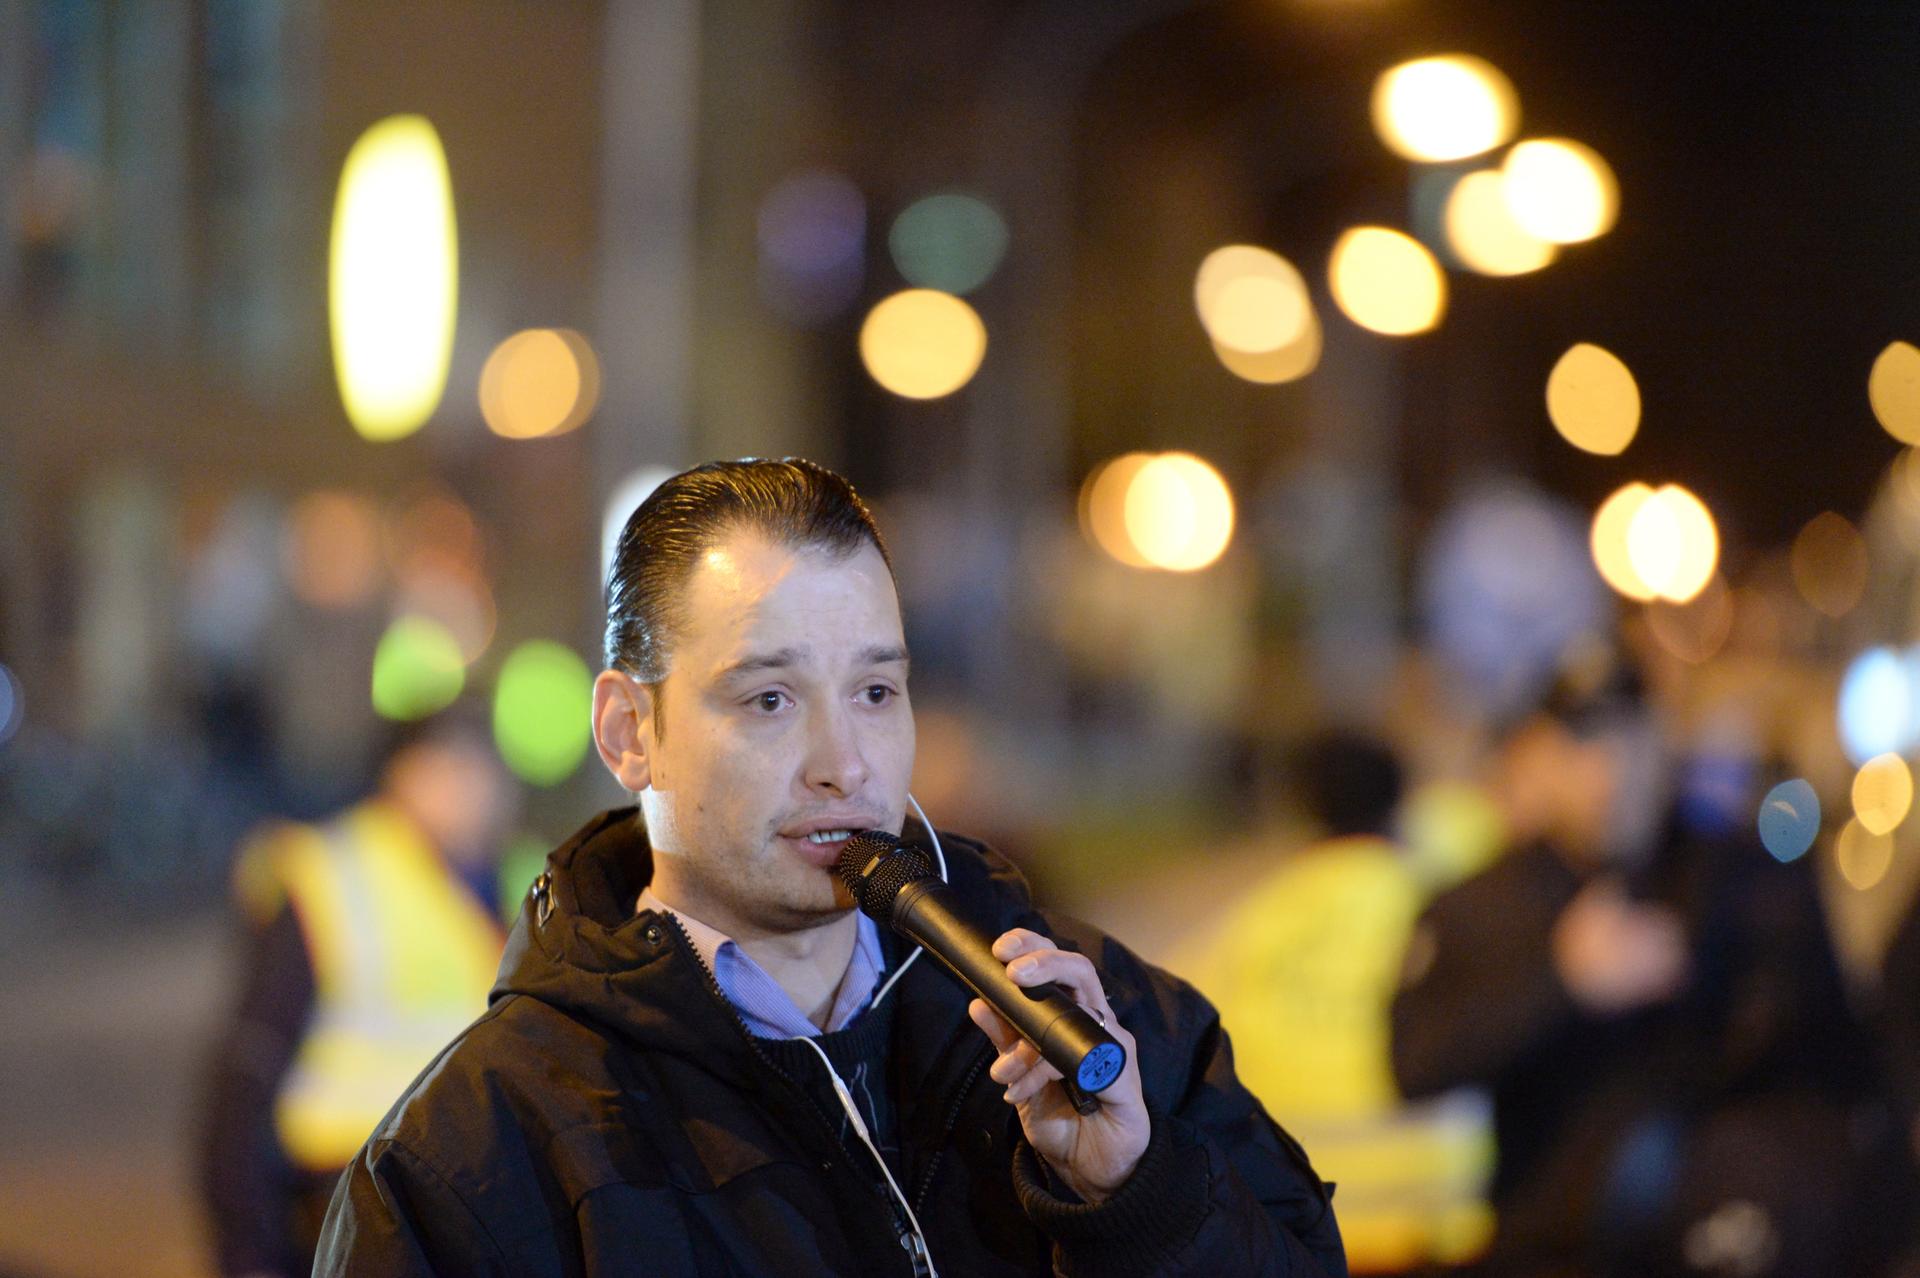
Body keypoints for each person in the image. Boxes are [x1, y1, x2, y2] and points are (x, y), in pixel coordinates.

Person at [313, 458, 1345, 1276]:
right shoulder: (474, 1153)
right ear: (631, 732)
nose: (844, 764)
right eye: (768, 699)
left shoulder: (1100, 1027)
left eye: (876, 693)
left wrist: (1139, 1197)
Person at [1391, 655, 1888, 1277]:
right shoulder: (1484, 902)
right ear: (1538, 756)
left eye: (1632, 738)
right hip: (1541, 1241)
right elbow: (1414, 1064)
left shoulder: (1734, 874)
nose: (1611, 770)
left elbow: (1834, 1058)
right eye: (1584, 744)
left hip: (1715, 1226)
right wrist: (1561, 982)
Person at [197, 711, 519, 1278]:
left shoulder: (493, 879)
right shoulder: (332, 875)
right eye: (454, 765)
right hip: (345, 1199)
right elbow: (248, 1066)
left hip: (452, 1201)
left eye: (484, 767)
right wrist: (246, 1248)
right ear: (402, 774)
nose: (479, 788)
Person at [1179, 732, 1493, 1275]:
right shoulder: (1444, 902)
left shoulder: (1255, 922)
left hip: (1306, 1226)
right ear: (1401, 798)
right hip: (1436, 1225)